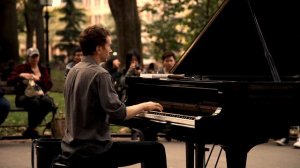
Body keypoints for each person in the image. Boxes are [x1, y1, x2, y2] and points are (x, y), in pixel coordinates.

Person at [61, 25, 167, 168]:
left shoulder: (73, 71)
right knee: (156, 150)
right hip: (95, 151)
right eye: (108, 46)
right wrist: (145, 105)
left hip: (70, 148)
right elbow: (119, 114)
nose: (110, 50)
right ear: (98, 49)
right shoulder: (100, 74)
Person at [7, 47, 56, 139]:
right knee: (35, 103)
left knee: (48, 103)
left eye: (36, 56)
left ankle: (30, 129)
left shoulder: (42, 69)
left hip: (39, 95)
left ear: (39, 57)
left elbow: (48, 86)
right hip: (23, 96)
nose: (34, 59)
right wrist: (21, 75)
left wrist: (38, 79)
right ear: (28, 58)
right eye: (32, 57)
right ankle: (31, 130)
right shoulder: (21, 68)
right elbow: (10, 80)